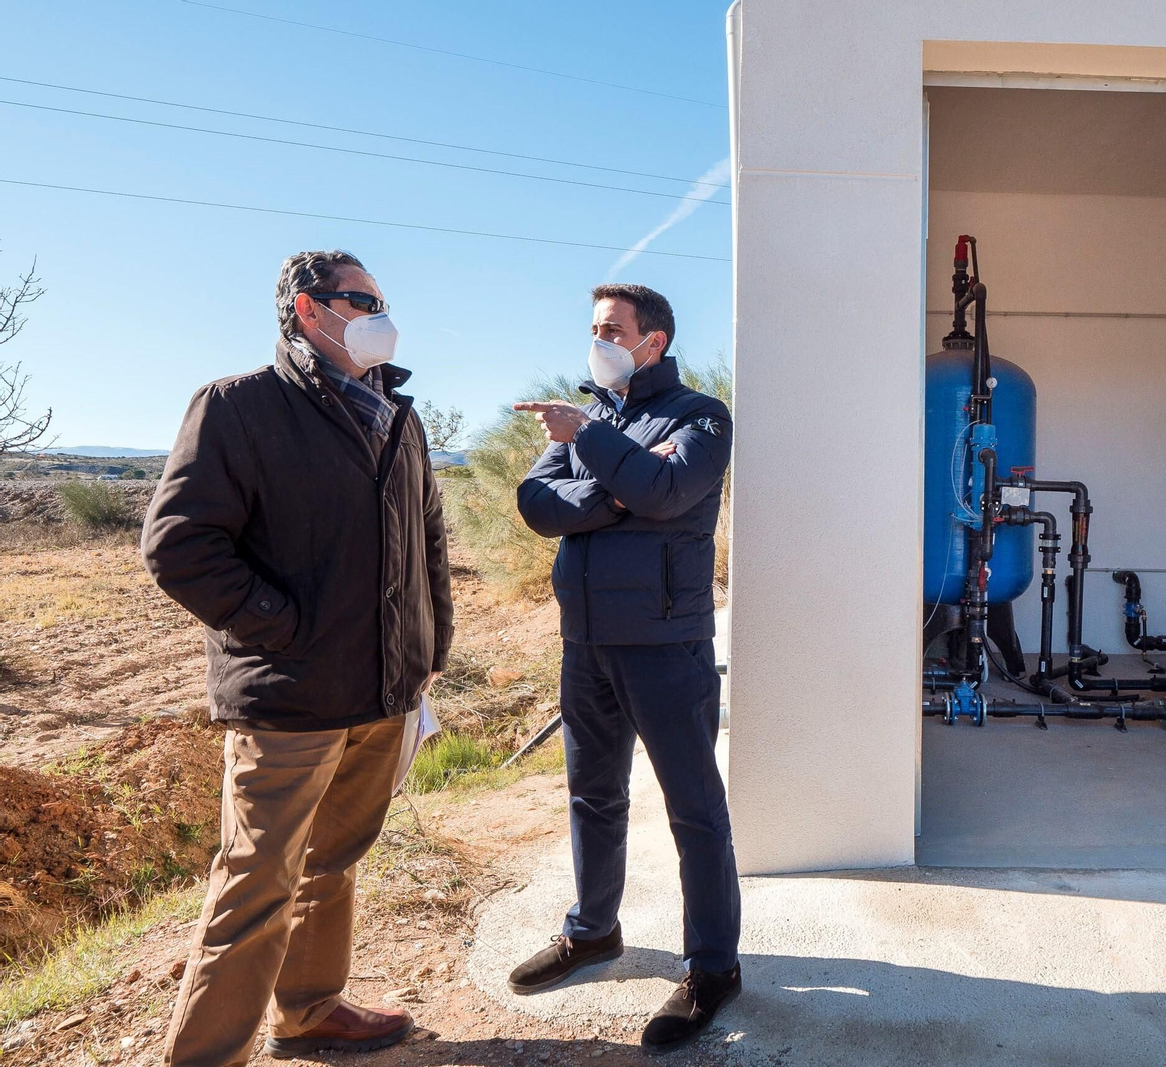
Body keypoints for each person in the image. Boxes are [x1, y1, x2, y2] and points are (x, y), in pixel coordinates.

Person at [142, 249, 453, 1066]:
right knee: (256, 885)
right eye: (365, 299)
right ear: (312, 312)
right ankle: (205, 1056)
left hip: (384, 691)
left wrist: (432, 642)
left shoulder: (399, 414)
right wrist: (282, 626)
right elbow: (180, 546)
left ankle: (310, 1010)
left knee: (334, 864)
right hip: (288, 698)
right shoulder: (238, 407)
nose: (383, 312)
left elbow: (427, 538)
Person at [511, 283, 738, 1053]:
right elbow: (537, 503)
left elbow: (669, 490)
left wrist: (597, 453)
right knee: (593, 796)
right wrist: (615, 491)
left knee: (693, 809)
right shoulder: (598, 419)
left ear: (655, 340)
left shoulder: (701, 416)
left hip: (666, 646)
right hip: (587, 643)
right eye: (594, 326)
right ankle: (592, 931)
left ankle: (712, 966)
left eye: (612, 327)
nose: (599, 338)